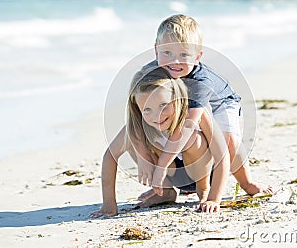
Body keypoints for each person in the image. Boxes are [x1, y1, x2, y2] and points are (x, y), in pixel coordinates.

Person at [138, 14, 272, 204]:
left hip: (221, 103)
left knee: (228, 142)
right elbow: (136, 112)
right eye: (167, 52)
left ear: (198, 56)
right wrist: (144, 156)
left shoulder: (201, 82)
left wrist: (161, 166)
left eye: (183, 55)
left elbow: (187, 126)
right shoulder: (151, 74)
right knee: (152, 132)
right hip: (182, 101)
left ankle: (247, 182)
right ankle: (166, 190)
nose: (174, 61)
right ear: (156, 50)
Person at [90, 68, 228, 217]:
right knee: (132, 139)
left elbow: (222, 155)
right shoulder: (139, 124)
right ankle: (165, 191)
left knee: (193, 139)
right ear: (138, 108)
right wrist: (109, 203)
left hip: (203, 173)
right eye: (147, 110)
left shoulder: (195, 114)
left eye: (163, 105)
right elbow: (110, 155)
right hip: (169, 175)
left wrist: (214, 199)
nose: (158, 116)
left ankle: (203, 190)